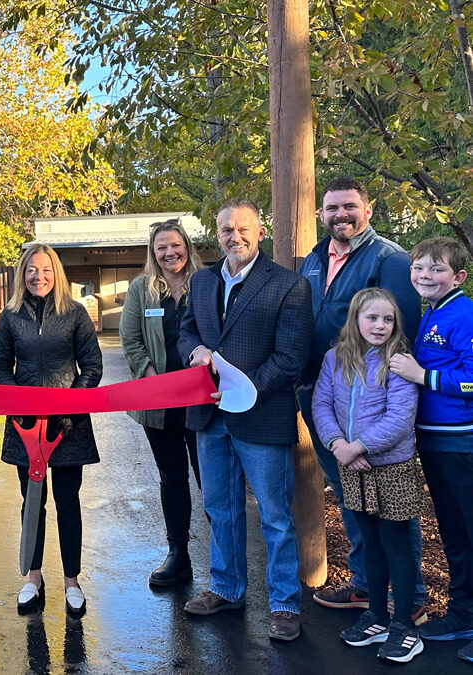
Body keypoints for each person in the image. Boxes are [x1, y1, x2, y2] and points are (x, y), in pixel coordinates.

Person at [178, 198, 313, 641]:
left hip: (261, 414)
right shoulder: (200, 282)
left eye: (242, 229)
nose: (233, 237)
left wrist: (246, 389)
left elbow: (291, 357)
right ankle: (226, 588)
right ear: (215, 235)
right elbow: (186, 331)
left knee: (275, 515)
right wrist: (193, 350)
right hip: (209, 416)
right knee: (221, 509)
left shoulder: (288, 286)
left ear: (259, 232)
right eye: (225, 230)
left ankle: (285, 605)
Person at [298, 177, 426, 622]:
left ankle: (411, 600)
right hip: (325, 398)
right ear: (322, 215)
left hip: (373, 406)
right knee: (353, 497)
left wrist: (367, 433)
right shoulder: (314, 260)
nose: (341, 215)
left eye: (349, 206)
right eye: (332, 208)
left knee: (393, 508)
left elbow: (400, 331)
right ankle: (367, 586)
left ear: (367, 210)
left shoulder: (389, 258)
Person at [0, 244, 103, 615]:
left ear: (57, 274)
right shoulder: (10, 317)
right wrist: (17, 402)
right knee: (32, 502)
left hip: (68, 425)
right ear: (22, 275)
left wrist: (71, 406)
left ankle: (72, 580)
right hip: (26, 426)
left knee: (68, 503)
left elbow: (91, 365)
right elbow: (0, 366)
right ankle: (34, 577)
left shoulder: (75, 314)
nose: (39, 277)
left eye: (46, 270)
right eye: (31, 270)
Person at [313, 288, 424, 663]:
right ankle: (376, 614)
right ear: (356, 320)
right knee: (369, 542)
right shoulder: (335, 358)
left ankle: (405, 626)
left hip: (391, 467)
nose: (379, 326)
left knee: (397, 546)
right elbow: (321, 404)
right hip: (352, 465)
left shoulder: (397, 361)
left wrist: (358, 446)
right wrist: (336, 444)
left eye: (387, 319)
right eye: (372, 318)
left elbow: (400, 417)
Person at [389, 237, 473, 663]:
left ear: (457, 276)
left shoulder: (465, 314)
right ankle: (463, 612)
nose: (425, 275)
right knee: (455, 534)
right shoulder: (432, 312)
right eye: (419, 268)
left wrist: (423, 376)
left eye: (436, 269)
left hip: (462, 441)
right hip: (434, 439)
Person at [119, 219, 202, 586]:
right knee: (172, 478)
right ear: (153, 254)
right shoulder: (142, 289)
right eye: (161, 248)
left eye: (175, 245)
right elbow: (130, 338)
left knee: (212, 481)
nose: (169, 253)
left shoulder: (207, 283)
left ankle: (227, 563)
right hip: (160, 403)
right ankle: (178, 555)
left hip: (203, 402)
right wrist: (149, 375)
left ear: (186, 245)